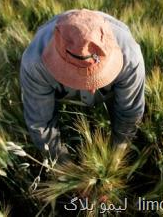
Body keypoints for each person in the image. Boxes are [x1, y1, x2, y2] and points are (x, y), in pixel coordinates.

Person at [19, 9, 145, 163]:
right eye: (77, 79)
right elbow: (40, 122)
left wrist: (116, 158)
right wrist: (62, 166)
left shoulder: (130, 57)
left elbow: (129, 113)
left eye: (99, 77)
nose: (91, 88)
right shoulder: (35, 63)